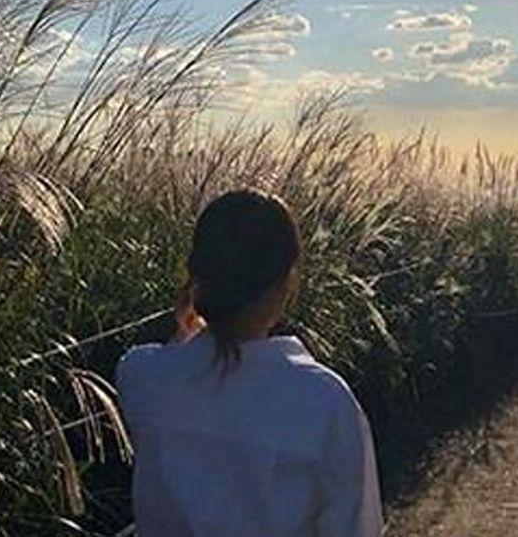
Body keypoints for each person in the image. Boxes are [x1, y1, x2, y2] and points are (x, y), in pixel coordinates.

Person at [115, 189, 383, 537]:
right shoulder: (324, 402)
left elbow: (175, 366)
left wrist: (186, 329)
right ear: (285, 283)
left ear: (198, 276)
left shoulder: (141, 376)